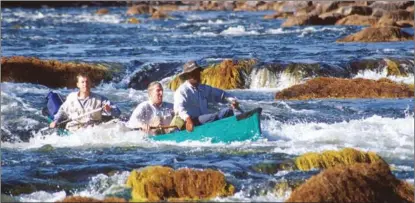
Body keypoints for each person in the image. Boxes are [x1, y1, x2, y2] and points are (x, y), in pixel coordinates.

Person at [173, 60, 240, 132]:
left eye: (198, 72)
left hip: (205, 121)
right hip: (191, 122)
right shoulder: (182, 91)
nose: (197, 75)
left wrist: (233, 101)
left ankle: (237, 126)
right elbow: (179, 109)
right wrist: (188, 119)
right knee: (213, 117)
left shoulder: (204, 88)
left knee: (228, 111)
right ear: (188, 76)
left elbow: (222, 94)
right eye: (193, 73)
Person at [49, 73, 121, 132]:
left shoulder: (100, 99)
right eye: (82, 82)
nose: (85, 84)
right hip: (74, 129)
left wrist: (109, 109)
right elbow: (62, 111)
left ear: (90, 84)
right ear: (78, 84)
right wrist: (55, 121)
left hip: (93, 130)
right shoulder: (71, 98)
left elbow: (117, 112)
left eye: (87, 82)